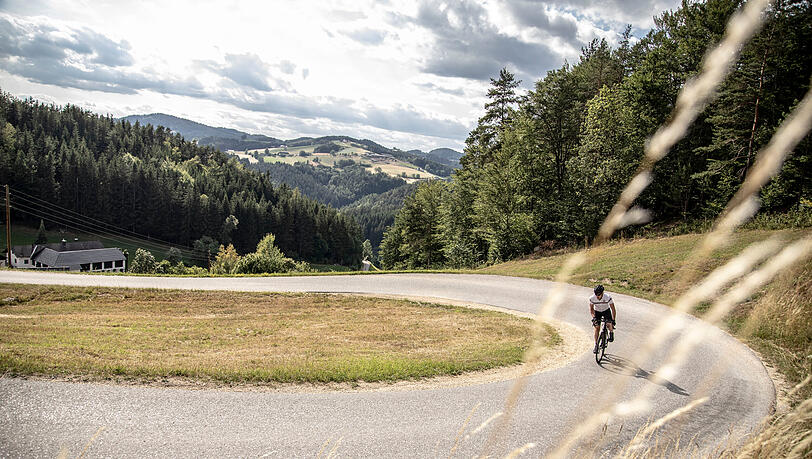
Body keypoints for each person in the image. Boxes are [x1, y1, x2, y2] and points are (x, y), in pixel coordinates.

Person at [589, 284, 616, 354]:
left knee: (608, 323)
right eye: (596, 294)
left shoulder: (608, 297)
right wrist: (594, 318)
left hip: (606, 311)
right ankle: (596, 345)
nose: (597, 296)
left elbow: (613, 309)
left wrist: (613, 320)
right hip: (597, 312)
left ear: (602, 293)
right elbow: (591, 309)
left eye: (599, 295)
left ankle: (611, 332)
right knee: (597, 327)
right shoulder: (592, 298)